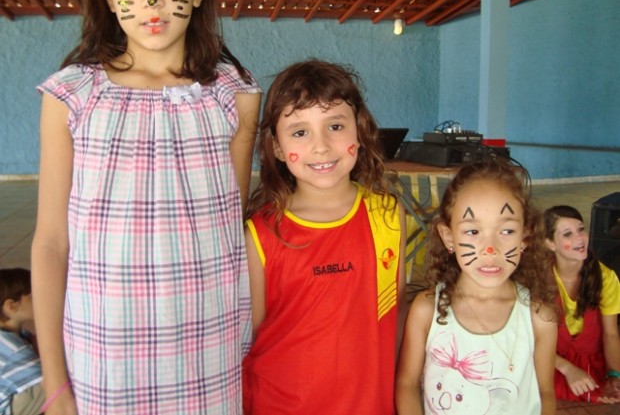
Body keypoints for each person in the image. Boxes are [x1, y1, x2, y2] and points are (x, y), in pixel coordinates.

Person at [30, 0, 262, 413]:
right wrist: (55, 382)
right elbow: (52, 242)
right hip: (104, 354)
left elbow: (229, 227)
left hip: (207, 346)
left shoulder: (233, 94)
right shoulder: (72, 94)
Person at [242, 59, 407, 414]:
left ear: (359, 131)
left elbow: (394, 315)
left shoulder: (387, 215)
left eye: (335, 126)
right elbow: (254, 335)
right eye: (300, 132)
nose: (321, 146)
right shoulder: (261, 233)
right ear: (277, 147)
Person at [395, 159, 558, 415]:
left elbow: (545, 392)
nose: (490, 249)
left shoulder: (539, 318)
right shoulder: (427, 310)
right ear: (449, 236)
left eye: (506, 231)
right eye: (472, 232)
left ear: (525, 237)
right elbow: (406, 384)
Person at [543, 205, 620, 404]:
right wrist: (568, 369)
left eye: (581, 229)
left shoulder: (605, 277)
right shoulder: (539, 278)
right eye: (567, 234)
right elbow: (530, 339)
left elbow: (611, 334)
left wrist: (614, 375)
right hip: (549, 359)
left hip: (594, 361)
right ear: (550, 243)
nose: (579, 238)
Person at [0, 268, 44, 415]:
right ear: (11, 306)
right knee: (54, 388)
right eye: (32, 296)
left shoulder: (13, 335)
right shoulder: (14, 350)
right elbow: (50, 381)